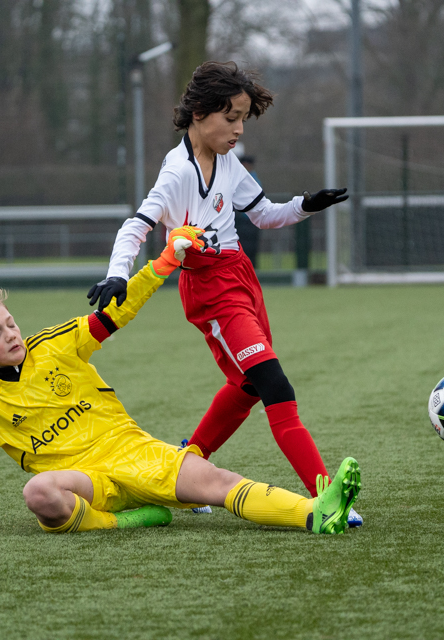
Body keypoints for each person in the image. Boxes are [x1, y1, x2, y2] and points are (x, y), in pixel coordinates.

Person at [0, 228, 361, 536]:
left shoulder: (56, 344)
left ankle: (317, 512)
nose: (12, 334)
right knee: (39, 494)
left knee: (216, 482)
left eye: (11, 323)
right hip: (89, 485)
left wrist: (163, 263)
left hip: (134, 453)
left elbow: (116, 312)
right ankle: (123, 520)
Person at [86, 61, 362, 526]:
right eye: (230, 117)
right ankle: (325, 495)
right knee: (275, 384)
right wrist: (118, 274)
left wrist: (306, 205)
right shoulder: (177, 172)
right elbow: (137, 225)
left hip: (242, 278)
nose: (238, 129)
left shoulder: (229, 162)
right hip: (212, 291)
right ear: (198, 112)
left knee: (248, 385)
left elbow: (265, 214)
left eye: (242, 119)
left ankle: (187, 461)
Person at [235, 154, 261, 270]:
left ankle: (251, 270)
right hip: (239, 220)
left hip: (251, 220)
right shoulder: (237, 178)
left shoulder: (253, 180)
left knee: (251, 248)